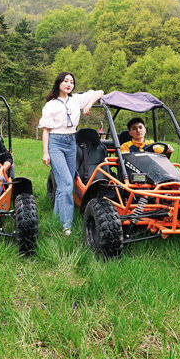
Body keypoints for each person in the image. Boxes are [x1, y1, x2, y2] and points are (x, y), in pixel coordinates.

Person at [38, 72, 104, 236]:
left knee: (65, 183)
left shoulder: (76, 100)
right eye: (65, 81)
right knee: (67, 183)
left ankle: (57, 219)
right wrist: (46, 152)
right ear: (59, 83)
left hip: (71, 142)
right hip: (56, 143)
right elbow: (46, 131)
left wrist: (89, 104)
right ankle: (66, 226)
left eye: (72, 82)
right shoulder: (51, 105)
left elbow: (99, 92)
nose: (69, 84)